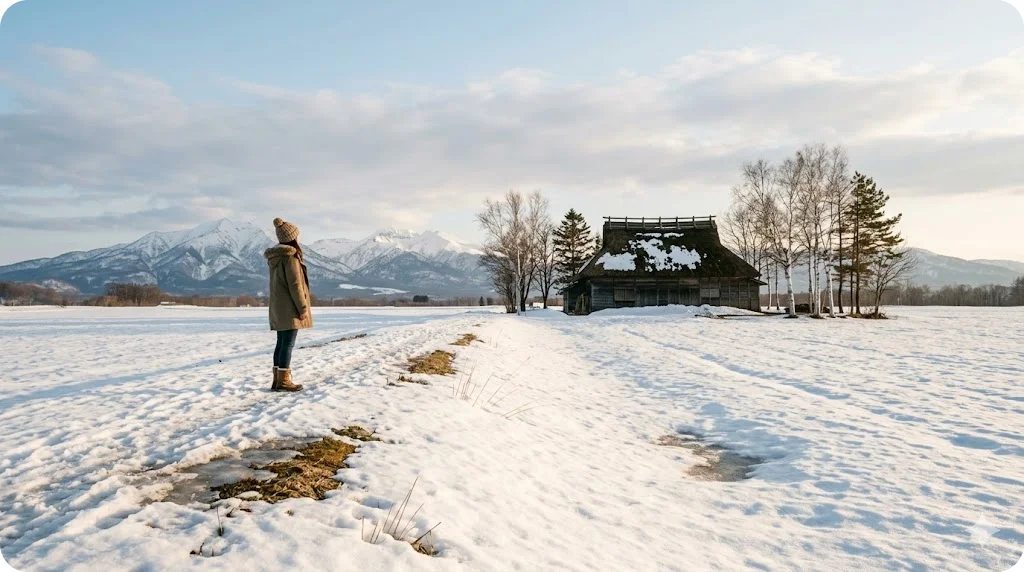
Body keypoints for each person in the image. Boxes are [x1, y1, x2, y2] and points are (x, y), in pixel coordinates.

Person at [264, 217, 313, 392]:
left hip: (278, 307)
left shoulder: (275, 258)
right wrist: (302, 308)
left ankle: (277, 380)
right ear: (292, 238)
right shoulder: (290, 258)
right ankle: (283, 382)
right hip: (290, 308)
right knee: (288, 344)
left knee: (281, 342)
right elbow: (295, 285)